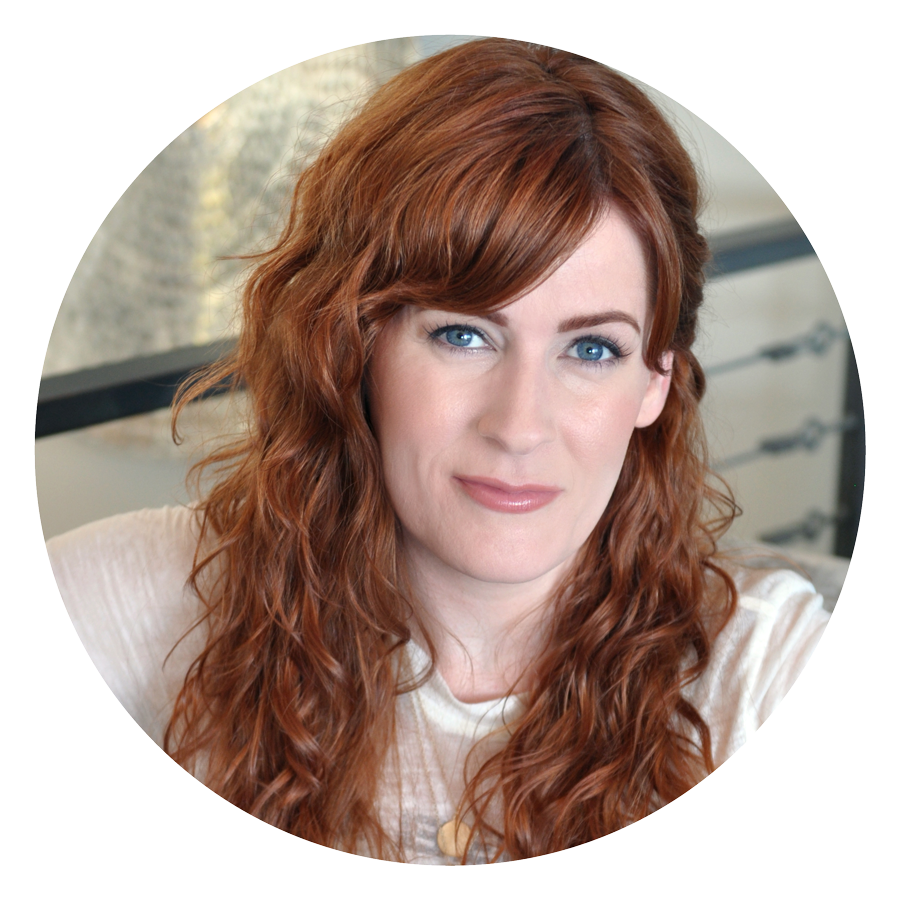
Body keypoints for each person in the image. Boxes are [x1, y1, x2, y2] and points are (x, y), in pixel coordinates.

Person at [46, 38, 831, 864]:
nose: (519, 426)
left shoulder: (767, 676)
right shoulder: (151, 600)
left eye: (592, 349)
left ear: (655, 381)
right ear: (354, 344)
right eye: (463, 334)